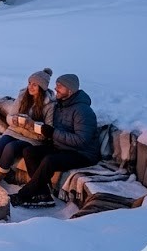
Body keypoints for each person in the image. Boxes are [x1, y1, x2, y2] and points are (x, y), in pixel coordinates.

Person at [11, 73, 100, 207]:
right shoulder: (60, 105)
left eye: (60, 86)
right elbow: (55, 129)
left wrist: (53, 133)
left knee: (49, 160)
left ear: (70, 90)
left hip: (83, 154)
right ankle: (43, 195)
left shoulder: (83, 111)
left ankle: (24, 194)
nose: (56, 88)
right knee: (29, 151)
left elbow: (82, 140)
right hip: (63, 147)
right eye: (56, 85)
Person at [0, 68, 55, 183]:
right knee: (1, 145)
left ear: (42, 87)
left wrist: (31, 124)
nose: (30, 87)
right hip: (14, 131)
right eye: (29, 83)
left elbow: (47, 130)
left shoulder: (50, 105)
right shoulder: (23, 95)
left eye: (35, 85)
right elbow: (9, 116)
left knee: (10, 147)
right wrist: (14, 119)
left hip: (32, 138)